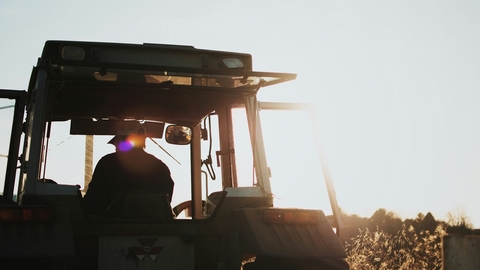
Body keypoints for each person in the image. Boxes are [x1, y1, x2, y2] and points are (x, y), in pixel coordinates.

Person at [83, 126, 174, 216]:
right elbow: (166, 202)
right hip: (157, 229)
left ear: (120, 141)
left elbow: (92, 204)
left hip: (113, 229)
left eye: (115, 143)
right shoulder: (162, 168)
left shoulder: (107, 163)